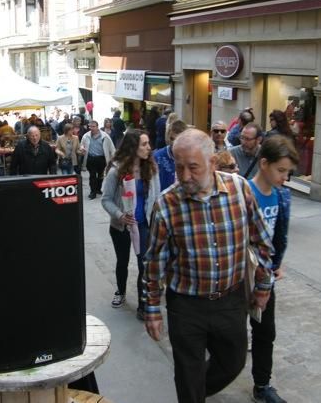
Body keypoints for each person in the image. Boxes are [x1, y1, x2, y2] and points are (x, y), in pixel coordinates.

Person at [143, 128, 274, 403]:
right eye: (179, 168)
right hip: (186, 306)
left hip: (231, 300)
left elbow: (262, 241)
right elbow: (154, 262)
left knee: (233, 362)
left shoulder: (239, 189)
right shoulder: (166, 204)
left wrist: (263, 287)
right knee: (188, 374)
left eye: (193, 167)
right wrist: (152, 309)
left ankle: (193, 392)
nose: (185, 176)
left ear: (212, 163)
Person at [247, 136, 298, 403]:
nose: (284, 177)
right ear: (264, 163)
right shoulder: (243, 192)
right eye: (281, 170)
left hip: (266, 278)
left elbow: (280, 234)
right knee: (229, 337)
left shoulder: (281, 195)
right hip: (239, 277)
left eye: (288, 172)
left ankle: (262, 385)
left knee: (265, 332)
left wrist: (276, 264)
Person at [101, 130, 160, 320]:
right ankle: (121, 291)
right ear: (133, 147)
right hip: (120, 227)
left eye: (148, 143)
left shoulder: (150, 168)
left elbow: (156, 197)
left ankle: (143, 305)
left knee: (144, 264)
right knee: (123, 262)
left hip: (143, 226)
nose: (148, 148)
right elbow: (106, 199)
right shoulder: (116, 170)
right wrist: (119, 215)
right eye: (144, 144)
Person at [80, 120, 116, 199]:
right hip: (91, 159)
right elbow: (81, 145)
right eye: (90, 126)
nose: (91, 128)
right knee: (92, 176)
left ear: (97, 127)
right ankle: (93, 192)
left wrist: (114, 159)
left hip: (101, 159)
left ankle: (98, 189)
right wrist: (82, 148)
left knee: (100, 175)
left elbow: (112, 148)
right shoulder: (86, 136)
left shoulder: (105, 136)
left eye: (93, 126)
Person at [153, 119, 188, 191]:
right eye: (172, 139)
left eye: (178, 140)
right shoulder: (157, 156)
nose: (174, 143)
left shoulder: (191, 157)